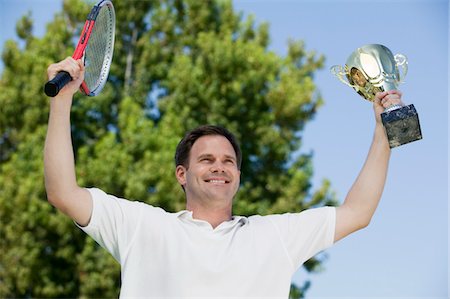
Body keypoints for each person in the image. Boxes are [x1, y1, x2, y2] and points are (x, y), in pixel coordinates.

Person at [44, 57, 404, 297]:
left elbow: (358, 213)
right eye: (207, 159)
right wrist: (61, 103)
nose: (220, 167)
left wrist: (383, 132)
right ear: (181, 174)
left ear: (238, 175)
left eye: (228, 161)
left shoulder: (274, 235)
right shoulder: (141, 226)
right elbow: (63, 192)